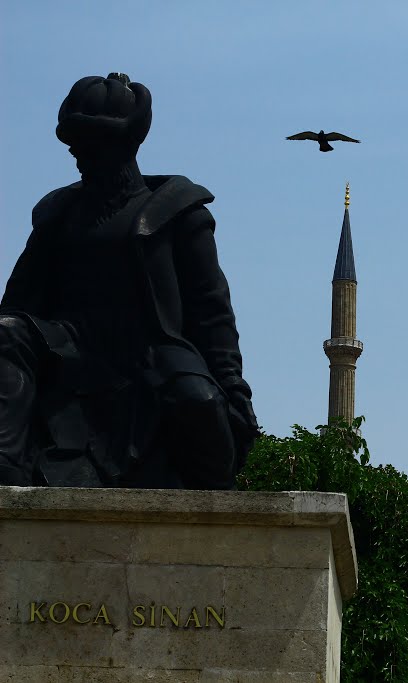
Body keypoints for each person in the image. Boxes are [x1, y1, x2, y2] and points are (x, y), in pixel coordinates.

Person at [0, 73, 258, 489]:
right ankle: (6, 473)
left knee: (199, 401)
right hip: (70, 348)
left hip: (150, 354)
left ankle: (212, 509)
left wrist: (233, 389)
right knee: (6, 332)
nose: (80, 156)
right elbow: (17, 304)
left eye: (91, 145)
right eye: (75, 146)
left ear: (124, 146)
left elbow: (212, 310)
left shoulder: (178, 212)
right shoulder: (58, 216)